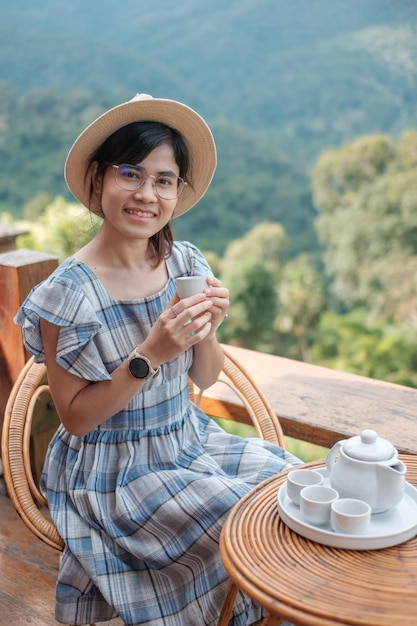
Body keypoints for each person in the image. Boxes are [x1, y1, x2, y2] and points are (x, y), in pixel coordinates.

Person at [15, 93, 301, 626]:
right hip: (114, 471)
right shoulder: (67, 296)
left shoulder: (183, 260)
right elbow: (76, 419)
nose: (147, 194)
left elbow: (206, 376)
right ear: (99, 178)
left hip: (188, 439)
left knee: (296, 489)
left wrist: (206, 330)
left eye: (164, 180)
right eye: (131, 173)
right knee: (241, 526)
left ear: (177, 190)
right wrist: (149, 355)